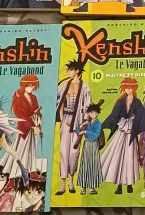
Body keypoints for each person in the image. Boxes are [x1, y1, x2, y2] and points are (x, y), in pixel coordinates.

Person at [99, 78, 145, 194]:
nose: (129, 90)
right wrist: (103, 125)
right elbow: (113, 115)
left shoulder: (137, 102)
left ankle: (129, 184)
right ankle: (119, 185)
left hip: (131, 131)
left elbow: (142, 118)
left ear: (134, 89)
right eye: (127, 88)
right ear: (124, 89)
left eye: (131, 88)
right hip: (121, 130)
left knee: (130, 157)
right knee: (118, 156)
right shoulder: (120, 102)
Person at [54, 60, 90, 195]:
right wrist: (62, 118)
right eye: (69, 70)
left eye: (71, 70)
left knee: (74, 152)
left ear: (77, 71)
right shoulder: (64, 85)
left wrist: (84, 122)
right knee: (63, 151)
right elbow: (57, 99)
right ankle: (63, 183)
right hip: (66, 119)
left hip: (78, 121)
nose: (69, 72)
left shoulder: (85, 87)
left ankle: (71, 181)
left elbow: (88, 106)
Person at [0, 75, 42, 177]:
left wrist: (38, 119)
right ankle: (12, 177)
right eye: (28, 85)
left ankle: (32, 172)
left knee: (31, 150)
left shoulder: (33, 97)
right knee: (19, 151)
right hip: (24, 128)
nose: (31, 87)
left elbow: (37, 111)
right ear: (24, 85)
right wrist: (34, 126)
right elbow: (21, 116)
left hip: (33, 127)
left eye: (33, 85)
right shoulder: (19, 97)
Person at [74, 100, 104, 195]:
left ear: (97, 113)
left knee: (93, 165)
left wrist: (86, 131)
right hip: (86, 144)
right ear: (89, 113)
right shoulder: (87, 123)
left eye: (95, 112)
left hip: (94, 144)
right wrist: (81, 126)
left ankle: (92, 188)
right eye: (91, 112)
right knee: (85, 165)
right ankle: (83, 187)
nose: (93, 114)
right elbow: (78, 131)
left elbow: (96, 134)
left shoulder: (98, 124)